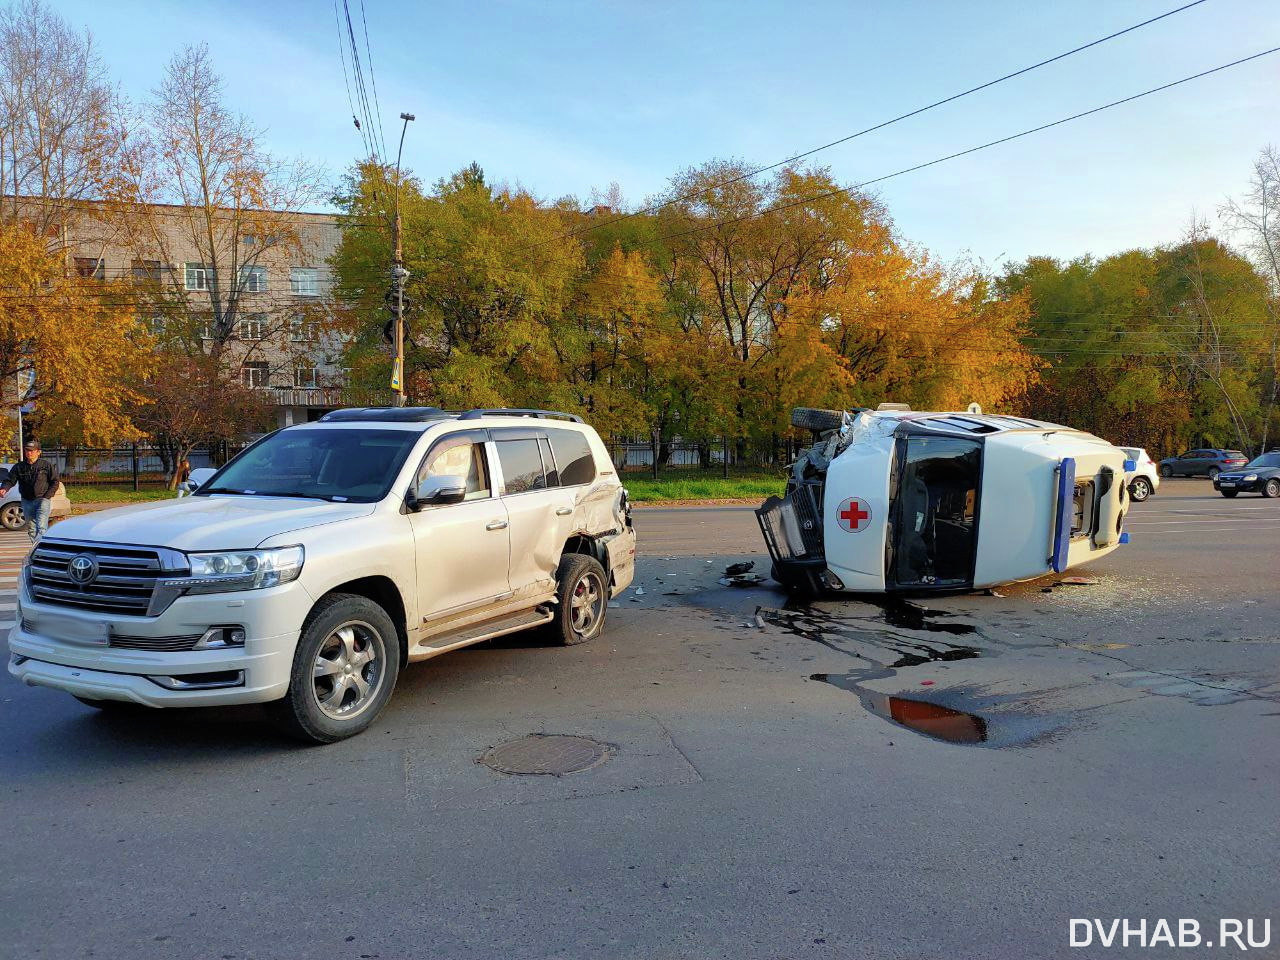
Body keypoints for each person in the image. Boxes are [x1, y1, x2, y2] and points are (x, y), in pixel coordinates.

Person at [0, 439, 60, 543]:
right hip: (27, 501)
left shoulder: (46, 465)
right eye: (27, 450)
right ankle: (36, 548)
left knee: (41, 527)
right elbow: (10, 480)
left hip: (42, 500)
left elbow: (55, 481)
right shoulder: (19, 467)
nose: (29, 453)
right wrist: (4, 488)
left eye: (32, 450)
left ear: (38, 452)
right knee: (31, 529)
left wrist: (47, 496)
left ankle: (40, 549)